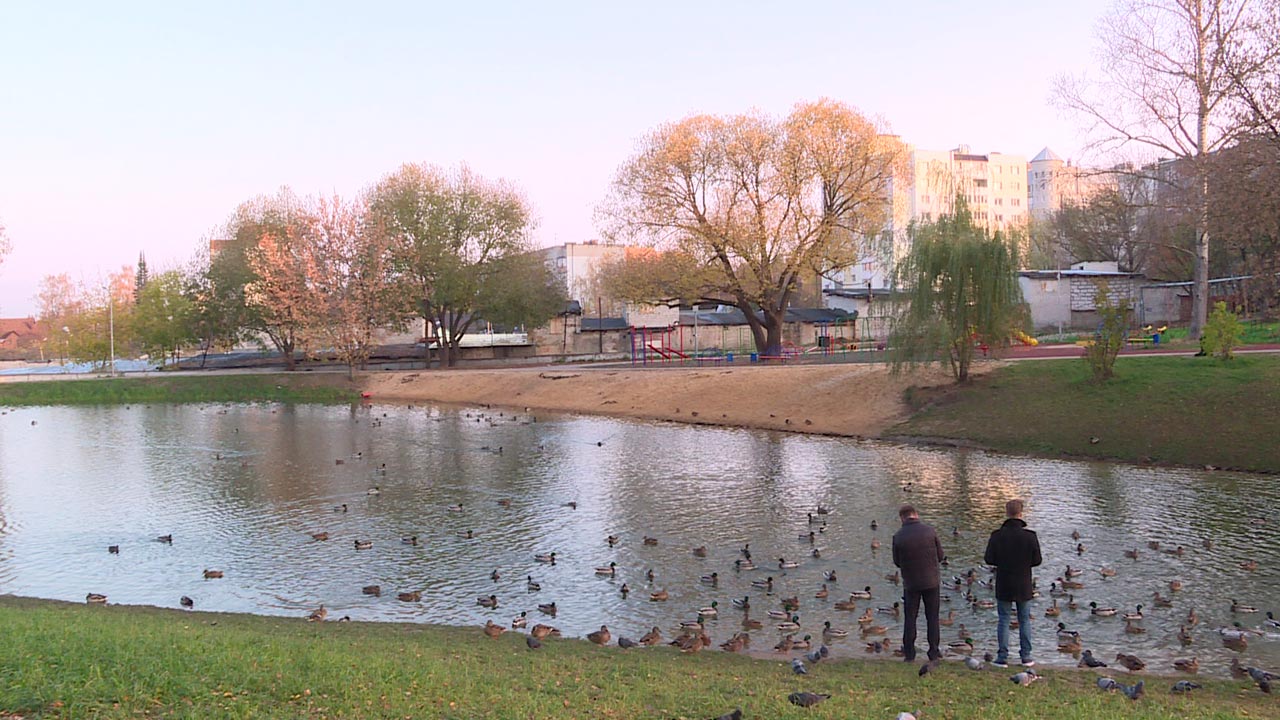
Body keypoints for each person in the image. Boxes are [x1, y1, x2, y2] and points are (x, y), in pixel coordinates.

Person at [984, 498, 1043, 668]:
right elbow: (1037, 560)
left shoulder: (997, 535)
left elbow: (989, 559)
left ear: (1006, 513)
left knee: (1004, 619)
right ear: (1021, 514)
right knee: (1024, 619)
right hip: (1023, 583)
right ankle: (1026, 656)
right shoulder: (1030, 536)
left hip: (1003, 582)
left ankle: (1002, 657)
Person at [891, 504, 945, 662]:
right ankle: (933, 653)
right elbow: (940, 556)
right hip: (932, 582)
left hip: (911, 583)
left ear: (902, 518)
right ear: (916, 514)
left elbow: (897, 562)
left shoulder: (898, 536)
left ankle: (909, 654)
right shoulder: (930, 531)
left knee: (910, 618)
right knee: (932, 618)